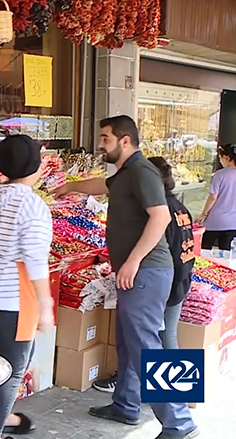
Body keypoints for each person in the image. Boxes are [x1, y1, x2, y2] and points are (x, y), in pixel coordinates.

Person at [53, 116, 199, 439]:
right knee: (129, 341)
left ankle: (178, 422)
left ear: (125, 141)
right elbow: (102, 186)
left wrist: (132, 261)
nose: (101, 144)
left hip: (147, 272)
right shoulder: (124, 174)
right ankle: (126, 405)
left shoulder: (143, 171)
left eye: (105, 138)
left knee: (146, 345)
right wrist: (68, 187)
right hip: (136, 274)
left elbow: (160, 217)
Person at [0, 135, 55, 439]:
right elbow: (35, 260)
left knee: (14, 360)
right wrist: (45, 307)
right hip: (14, 296)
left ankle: (4, 416)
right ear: (34, 166)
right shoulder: (32, 205)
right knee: (12, 370)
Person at [93, 156, 195, 393]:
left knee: (160, 339)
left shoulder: (160, 212)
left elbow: (164, 248)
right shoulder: (179, 206)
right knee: (158, 337)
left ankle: (176, 396)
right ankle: (157, 395)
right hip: (179, 279)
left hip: (165, 282)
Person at [196, 144, 236, 249]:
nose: (221, 161)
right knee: (227, 254)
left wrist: (203, 214)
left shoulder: (220, 175)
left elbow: (213, 197)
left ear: (227, 158)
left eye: (220, 158)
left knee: (205, 251)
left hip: (215, 221)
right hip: (233, 223)